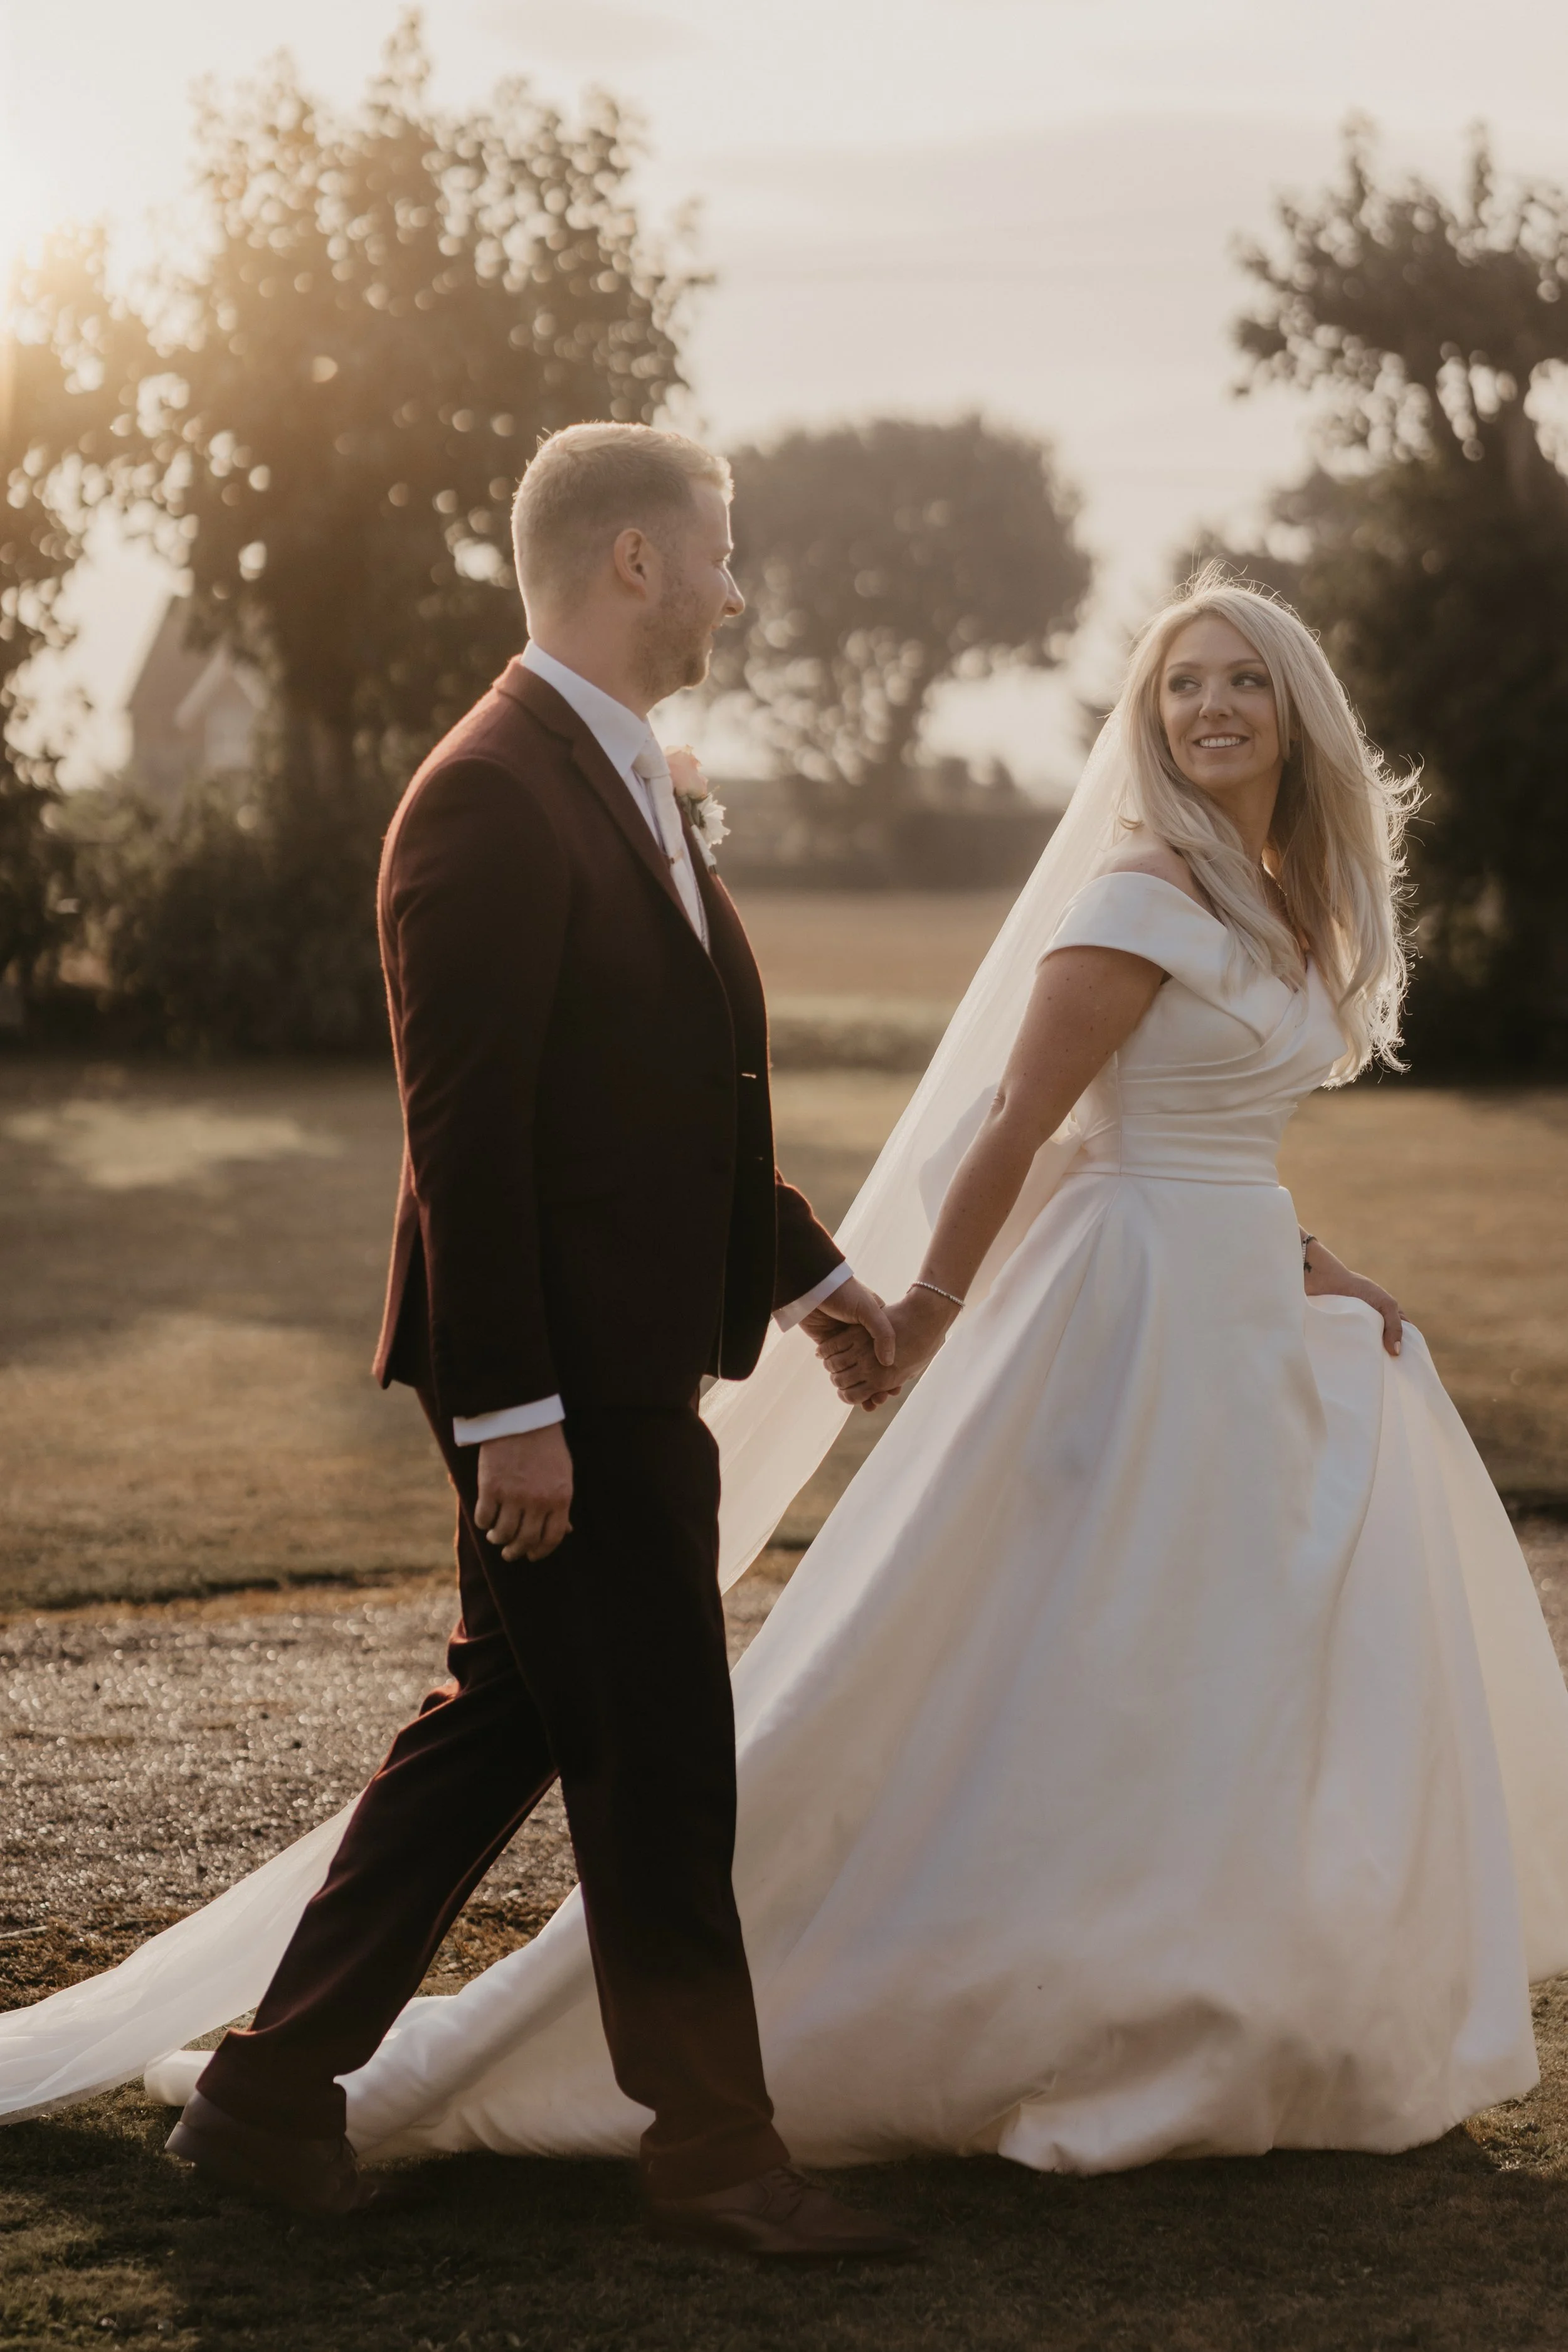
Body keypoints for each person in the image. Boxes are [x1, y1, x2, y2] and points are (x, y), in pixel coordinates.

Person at [6, 574, 1568, 2200]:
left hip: (1236, 1289)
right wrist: (928, 1312)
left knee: (1224, 1650)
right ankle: (876, 2037)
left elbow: (1216, 1142)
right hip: (1127, 1310)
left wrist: (1311, 1263)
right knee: (1085, 1649)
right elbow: (1023, 1128)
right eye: (1183, 685)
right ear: (1150, 718)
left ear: (1295, 705)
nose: (1211, 709)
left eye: (1243, 679)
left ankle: (1215, 1994)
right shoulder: (1138, 890)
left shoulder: (1275, 891)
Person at [159, 423, 909, 2257]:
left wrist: (809, 1274)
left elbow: (678, 1092)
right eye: (721, 551)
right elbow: (467, 1134)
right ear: (634, 561)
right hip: (558, 1377)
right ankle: (716, 2151)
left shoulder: (627, 770)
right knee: (659, 1749)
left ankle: (264, 2098)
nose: (740, 586)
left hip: (625, 1355)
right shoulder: (489, 793)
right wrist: (514, 1414)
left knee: (506, 1720)